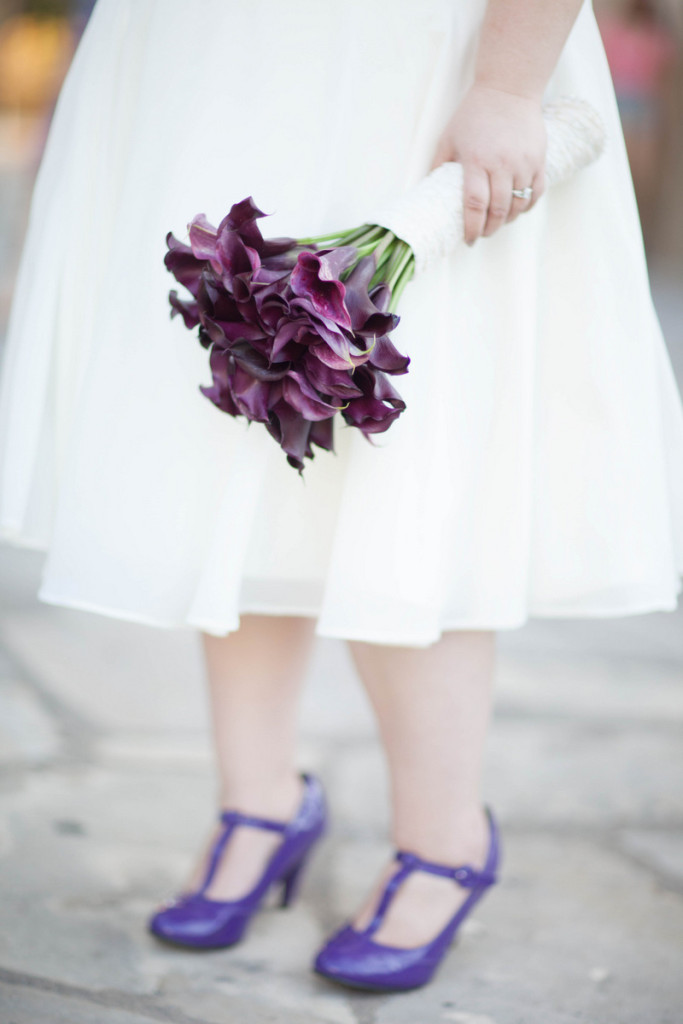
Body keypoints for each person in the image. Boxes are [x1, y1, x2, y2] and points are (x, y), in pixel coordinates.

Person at [1, 0, 683, 995]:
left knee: (409, 449)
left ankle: (442, 836)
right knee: (233, 420)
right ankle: (259, 800)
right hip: (205, 53)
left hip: (408, 55)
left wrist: (504, 83)